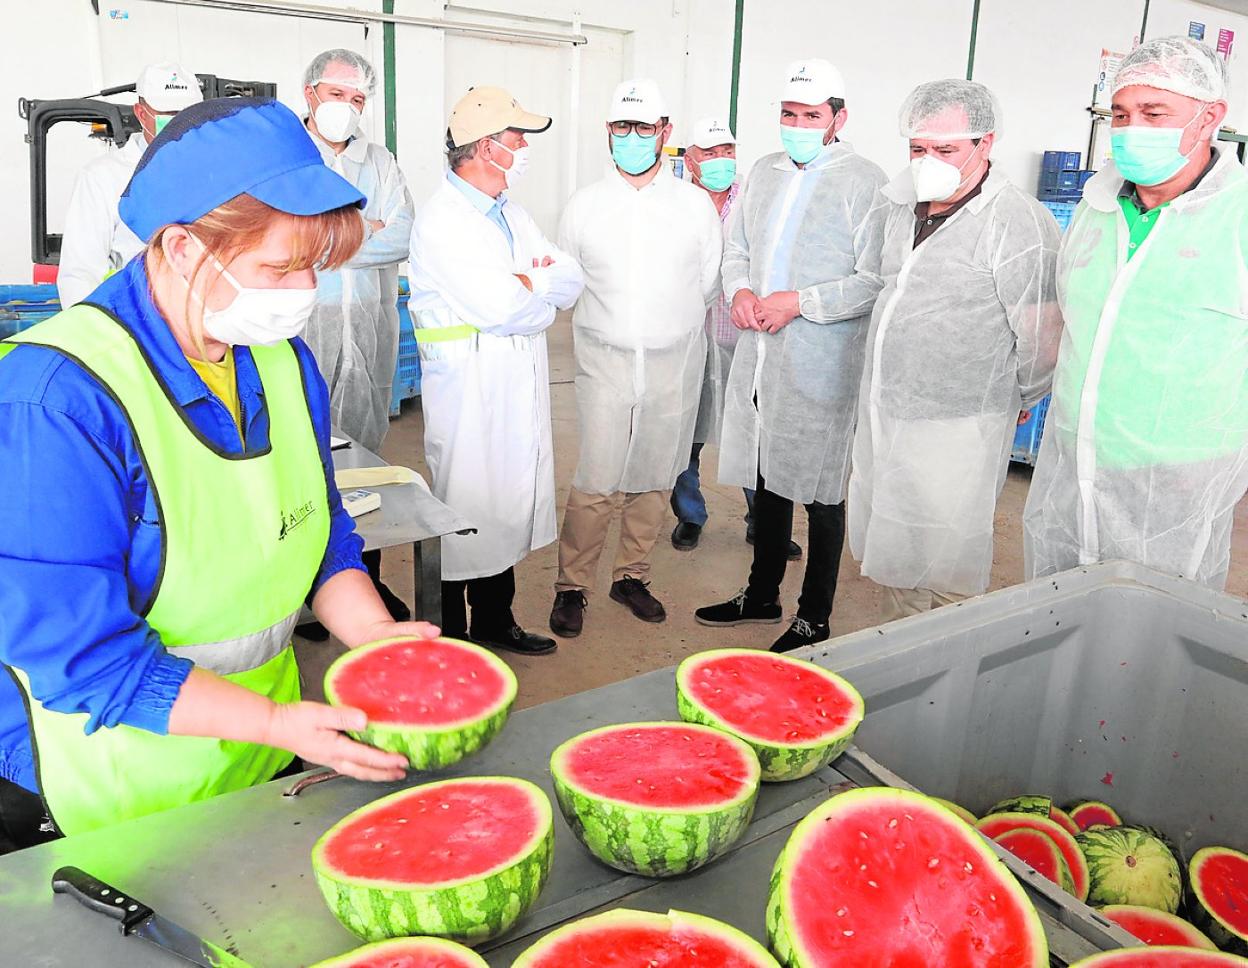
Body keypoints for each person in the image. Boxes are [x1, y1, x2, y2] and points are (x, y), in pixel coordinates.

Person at [0, 98, 438, 850]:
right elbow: (80, 657)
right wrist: (276, 723)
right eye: (280, 266)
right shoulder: (55, 400)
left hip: (258, 757)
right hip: (111, 786)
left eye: (314, 268)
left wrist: (374, 638)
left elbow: (318, 528)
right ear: (179, 247)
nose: (303, 292)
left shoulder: (279, 357)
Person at [1024, 37, 1248, 590]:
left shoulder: (1238, 216)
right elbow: (1066, 320)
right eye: (1121, 114)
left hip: (1178, 469)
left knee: (1153, 623)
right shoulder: (1096, 207)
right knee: (1056, 607)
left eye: (1154, 113)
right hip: (1073, 451)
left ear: (1209, 117)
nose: (1132, 129)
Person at [848, 80, 1062, 622]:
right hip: (887, 407)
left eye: (946, 150)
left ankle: (939, 671)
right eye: (918, 149)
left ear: (985, 143)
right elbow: (883, 287)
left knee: (944, 555)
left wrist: (1021, 395)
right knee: (895, 542)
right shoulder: (901, 204)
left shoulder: (1017, 221)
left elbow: (1042, 335)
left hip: (961, 421)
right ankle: (898, 651)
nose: (928, 162)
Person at [695, 58, 888, 652]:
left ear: (838, 118)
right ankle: (762, 594)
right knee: (767, 471)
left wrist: (798, 302)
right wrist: (744, 293)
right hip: (759, 351)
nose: (798, 124)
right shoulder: (764, 172)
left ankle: (814, 615)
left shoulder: (866, 182)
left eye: (811, 115)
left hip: (822, 357)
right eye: (788, 114)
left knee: (822, 491)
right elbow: (738, 251)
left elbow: (873, 279)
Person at [409, 87, 582, 656]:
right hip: (469, 387)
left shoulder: (510, 211)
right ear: (486, 146)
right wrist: (533, 290)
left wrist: (531, 286)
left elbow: (569, 277)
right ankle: (451, 637)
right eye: (518, 138)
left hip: (509, 376)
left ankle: (492, 620)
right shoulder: (445, 221)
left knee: (502, 505)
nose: (525, 147)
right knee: (466, 508)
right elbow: (505, 307)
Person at [550, 79, 722, 638]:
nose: (630, 138)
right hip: (604, 359)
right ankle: (572, 585)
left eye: (643, 128)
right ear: (607, 133)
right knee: (597, 474)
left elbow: (706, 282)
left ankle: (632, 575)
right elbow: (568, 282)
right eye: (621, 128)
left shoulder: (694, 206)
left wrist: (663, 329)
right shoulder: (584, 206)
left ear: (665, 134)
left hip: (673, 359)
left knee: (654, 471)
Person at [299, 49, 415, 627]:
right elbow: (287, 240)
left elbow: (403, 235)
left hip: (367, 332)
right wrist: (360, 228)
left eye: (358, 99)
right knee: (300, 456)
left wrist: (329, 239)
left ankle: (367, 580)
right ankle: (305, 588)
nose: (346, 108)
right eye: (336, 94)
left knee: (367, 458)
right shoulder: (287, 158)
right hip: (301, 331)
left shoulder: (380, 162)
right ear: (309, 94)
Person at [669, 118, 803, 561]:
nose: (721, 161)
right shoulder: (676, 203)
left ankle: (762, 522)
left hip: (744, 334)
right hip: (689, 334)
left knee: (752, 431)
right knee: (687, 431)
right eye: (709, 153)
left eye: (727, 151)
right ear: (690, 160)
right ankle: (690, 515)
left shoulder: (756, 196)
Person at [58, 63, 203, 308]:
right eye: (168, 116)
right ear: (141, 113)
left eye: (187, 116)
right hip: (137, 316)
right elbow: (80, 273)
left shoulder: (211, 168)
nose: (179, 125)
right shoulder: (103, 177)